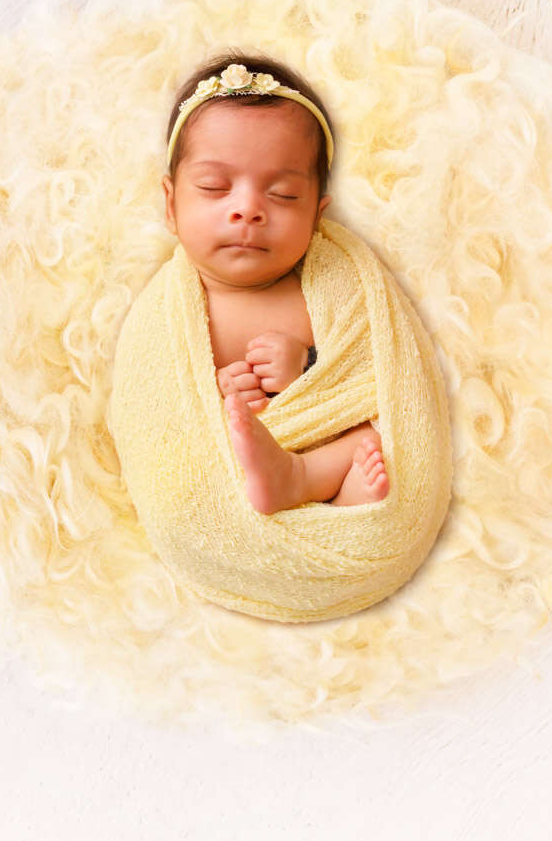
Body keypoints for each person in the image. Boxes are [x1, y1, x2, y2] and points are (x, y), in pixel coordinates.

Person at [159, 52, 390, 515]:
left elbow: (374, 374)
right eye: (214, 187)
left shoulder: (331, 285)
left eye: (283, 194)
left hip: (322, 451)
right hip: (231, 478)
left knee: (375, 439)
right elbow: (159, 406)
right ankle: (290, 482)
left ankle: (317, 487)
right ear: (170, 203)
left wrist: (307, 367)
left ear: (316, 216)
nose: (247, 209)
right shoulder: (168, 312)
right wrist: (216, 392)